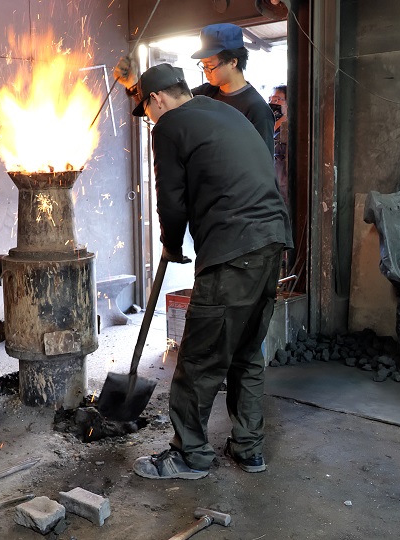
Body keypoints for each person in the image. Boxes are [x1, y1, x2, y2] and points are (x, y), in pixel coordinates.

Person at [116, 63, 292, 480]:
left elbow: (172, 200)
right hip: (272, 243)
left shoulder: (170, 126)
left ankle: (190, 456)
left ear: (156, 99)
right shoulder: (225, 111)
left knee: (199, 357)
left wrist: (172, 244)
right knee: (246, 352)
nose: (150, 119)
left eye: (147, 110)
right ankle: (249, 450)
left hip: (234, 250)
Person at [191, 23, 275, 156]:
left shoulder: (256, 109)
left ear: (232, 62)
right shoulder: (205, 93)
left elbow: (264, 165)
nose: (206, 71)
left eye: (209, 65)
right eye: (203, 65)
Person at [270, 85, 290, 207]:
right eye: (271, 99)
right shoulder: (271, 123)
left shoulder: (290, 127)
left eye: (277, 99)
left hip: (285, 184)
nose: (273, 103)